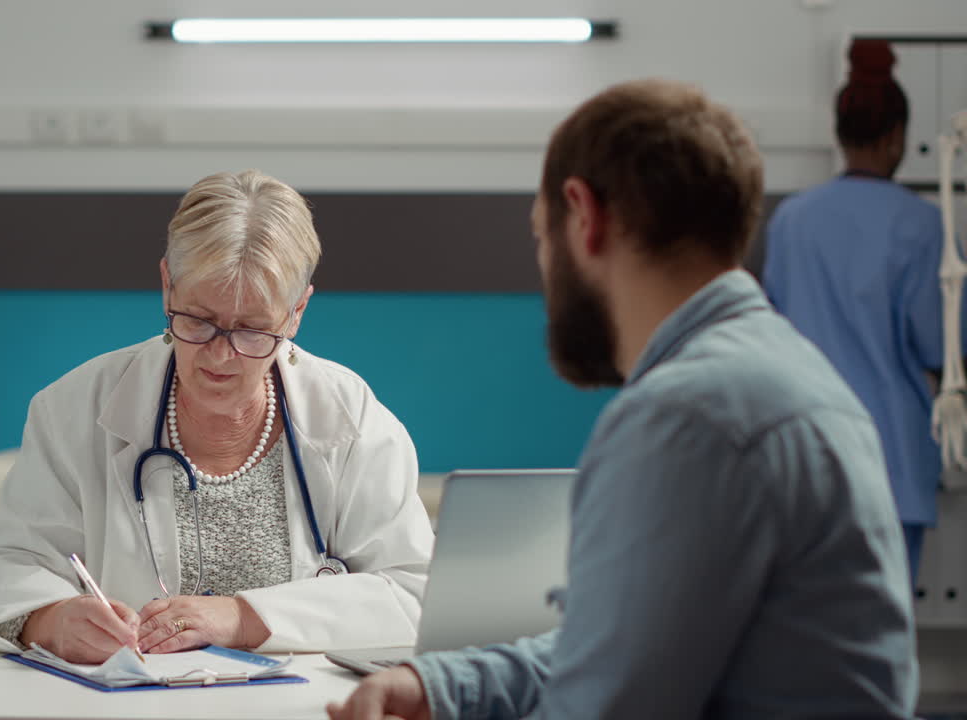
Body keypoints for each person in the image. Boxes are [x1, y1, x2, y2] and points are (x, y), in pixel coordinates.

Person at [329, 79, 917, 719]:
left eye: (540, 239)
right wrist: (442, 687)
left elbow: (604, 705)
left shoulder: (689, 416)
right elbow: (621, 648)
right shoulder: (785, 372)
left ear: (584, 216)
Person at [0, 169, 433, 661]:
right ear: (168, 286)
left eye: (252, 330)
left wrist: (242, 617)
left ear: (296, 313)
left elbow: (414, 593)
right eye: (199, 320)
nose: (220, 355)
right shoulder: (75, 408)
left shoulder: (348, 419)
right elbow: (0, 570)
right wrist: (50, 621)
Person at [763, 38, 946, 579]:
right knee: (883, 638)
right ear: (896, 138)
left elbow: (770, 335)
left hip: (804, 456)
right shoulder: (921, 225)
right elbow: (938, 345)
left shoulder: (792, 221)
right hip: (890, 461)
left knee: (806, 633)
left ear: (839, 137)